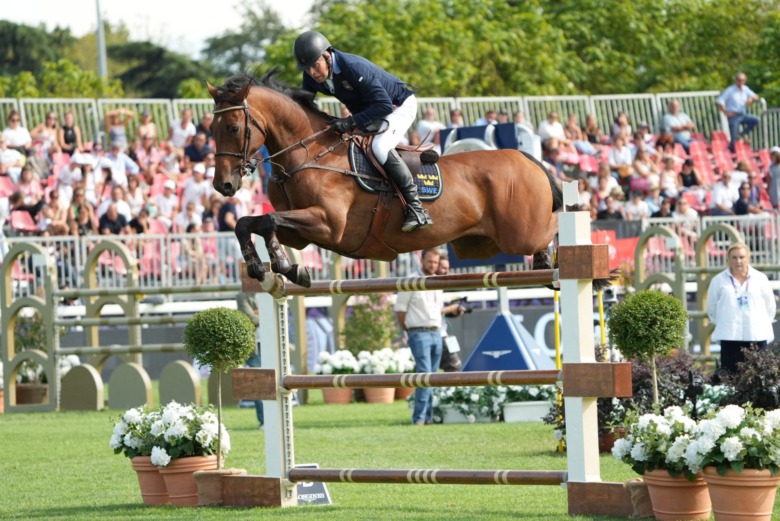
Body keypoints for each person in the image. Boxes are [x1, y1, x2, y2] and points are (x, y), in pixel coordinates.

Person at [294, 30, 432, 232]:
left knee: (380, 147)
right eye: (307, 69)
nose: (313, 73)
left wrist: (350, 122)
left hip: (397, 106)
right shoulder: (314, 76)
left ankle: (417, 208)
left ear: (327, 56)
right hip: (371, 111)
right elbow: (303, 103)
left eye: (316, 65)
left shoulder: (353, 67)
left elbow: (384, 106)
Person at [393, 248, 463, 424]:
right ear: (422, 260)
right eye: (430, 262)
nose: (433, 265)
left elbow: (435, 310)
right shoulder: (410, 279)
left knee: (431, 377)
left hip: (436, 332)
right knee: (425, 375)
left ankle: (427, 418)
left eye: (435, 262)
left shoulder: (436, 281)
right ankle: (419, 418)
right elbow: (400, 310)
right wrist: (410, 331)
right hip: (419, 333)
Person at [706, 243, 775, 374]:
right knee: (731, 378)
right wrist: (725, 322)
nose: (738, 261)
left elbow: (770, 306)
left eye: (742, 257)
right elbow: (712, 308)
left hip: (756, 335)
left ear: (748, 258)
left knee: (759, 377)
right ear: (728, 259)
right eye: (734, 257)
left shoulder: (760, 279)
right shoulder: (718, 280)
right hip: (730, 336)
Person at [717, 72, 761, 152]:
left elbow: (756, 97)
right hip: (733, 116)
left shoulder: (745, 88)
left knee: (756, 120)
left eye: (743, 80)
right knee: (733, 138)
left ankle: (743, 134)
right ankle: (732, 152)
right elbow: (720, 101)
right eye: (739, 80)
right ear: (735, 80)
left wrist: (751, 98)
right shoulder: (730, 90)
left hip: (742, 114)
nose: (741, 82)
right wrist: (725, 112)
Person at [436, 254, 464, 372]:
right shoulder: (428, 284)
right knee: (454, 367)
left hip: (444, 332)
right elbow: (429, 311)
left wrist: (454, 312)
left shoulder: (442, 286)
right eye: (443, 268)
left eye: (448, 268)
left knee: (454, 367)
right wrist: (449, 309)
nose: (446, 271)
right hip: (436, 334)